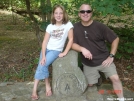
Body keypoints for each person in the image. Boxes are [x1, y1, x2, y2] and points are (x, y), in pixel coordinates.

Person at [72, 3, 124, 101]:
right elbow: (72, 44)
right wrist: (83, 49)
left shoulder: (100, 26)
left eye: (88, 11)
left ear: (91, 13)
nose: (85, 13)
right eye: (83, 11)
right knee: (90, 85)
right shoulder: (75, 28)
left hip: (104, 60)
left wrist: (111, 55)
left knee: (115, 79)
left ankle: (121, 99)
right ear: (79, 14)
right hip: (89, 63)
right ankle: (98, 77)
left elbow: (115, 39)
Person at [31, 4, 73, 100]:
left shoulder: (68, 25)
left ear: (64, 14)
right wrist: (44, 55)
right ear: (53, 14)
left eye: (60, 13)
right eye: (56, 13)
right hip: (46, 49)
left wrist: (65, 52)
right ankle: (46, 85)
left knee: (42, 65)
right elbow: (45, 41)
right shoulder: (50, 26)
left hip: (55, 50)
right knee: (41, 64)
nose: (58, 15)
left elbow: (71, 39)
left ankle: (35, 89)